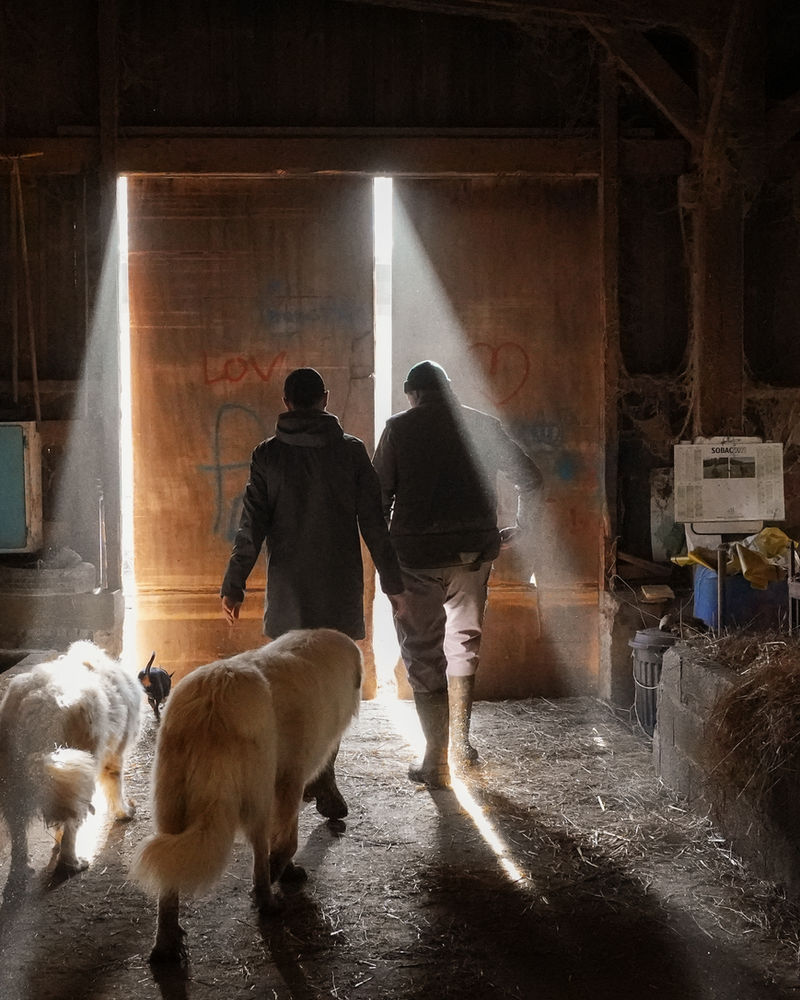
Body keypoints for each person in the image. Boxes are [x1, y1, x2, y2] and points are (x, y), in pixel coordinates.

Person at [221, 367, 406, 818]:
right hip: (338, 589)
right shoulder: (351, 452)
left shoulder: (267, 455)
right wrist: (393, 583)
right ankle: (324, 778)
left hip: (289, 591)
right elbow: (374, 524)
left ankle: (297, 778)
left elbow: (252, 527)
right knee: (334, 688)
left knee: (287, 687)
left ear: (286, 402)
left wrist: (234, 583)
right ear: (324, 399)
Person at [373, 360, 543, 788]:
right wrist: (520, 527)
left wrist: (386, 555)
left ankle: (435, 758)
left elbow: (378, 499)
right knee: (465, 642)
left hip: (415, 557)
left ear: (412, 394)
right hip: (472, 555)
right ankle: (461, 745)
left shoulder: (399, 428)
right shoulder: (481, 424)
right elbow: (531, 478)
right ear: (448, 390)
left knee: (422, 651)